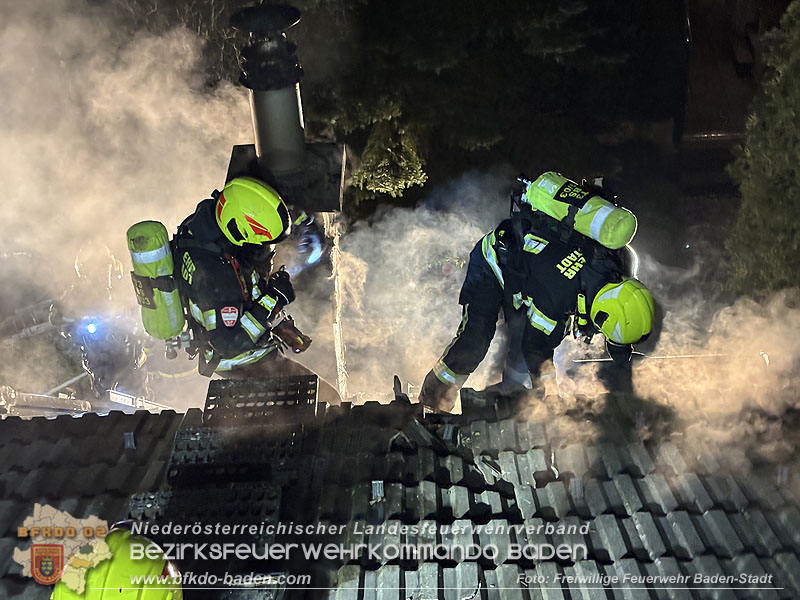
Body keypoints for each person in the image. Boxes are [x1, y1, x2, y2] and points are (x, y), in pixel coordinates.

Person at [418, 177, 655, 412]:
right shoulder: (559, 292)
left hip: (529, 277)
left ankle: (513, 403)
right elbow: (536, 351)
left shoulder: (623, 261)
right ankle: (432, 401)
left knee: (521, 358)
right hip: (496, 261)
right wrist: (551, 396)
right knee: (476, 338)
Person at [174, 176, 340, 404]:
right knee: (329, 401)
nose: (267, 251)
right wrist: (273, 299)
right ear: (239, 233)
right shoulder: (217, 276)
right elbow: (229, 344)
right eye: (262, 244)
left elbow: (240, 283)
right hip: (243, 362)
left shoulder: (206, 224)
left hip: (244, 343)